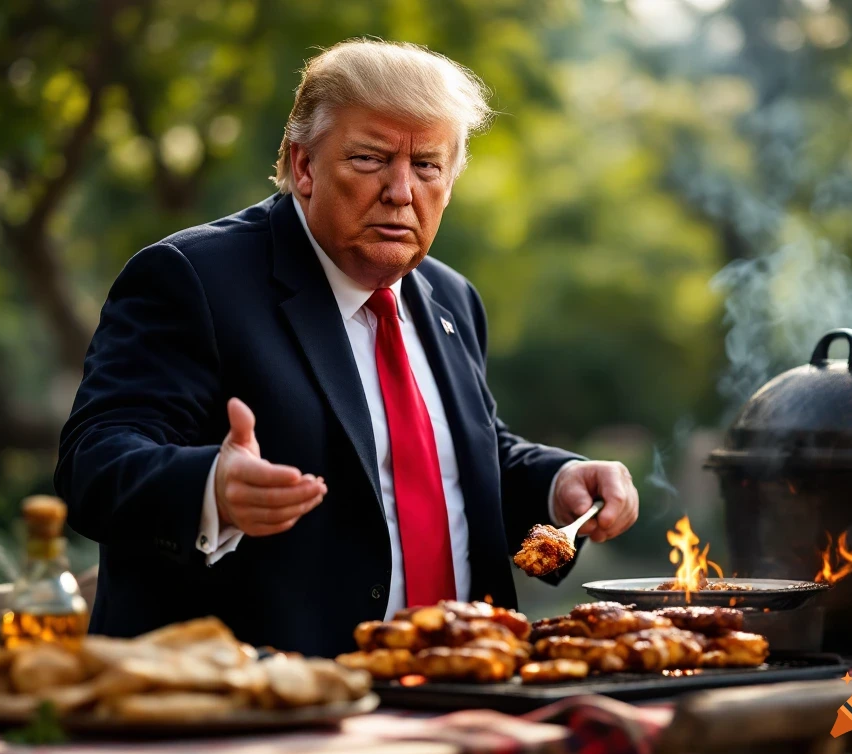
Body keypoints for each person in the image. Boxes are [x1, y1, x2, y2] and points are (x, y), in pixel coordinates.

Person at [55, 39, 640, 657]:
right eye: (370, 159)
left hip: (462, 685)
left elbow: (462, 456)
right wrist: (211, 487)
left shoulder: (451, 297)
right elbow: (93, 462)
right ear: (303, 166)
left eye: (427, 166)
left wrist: (558, 481)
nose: (400, 191)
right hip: (267, 707)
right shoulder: (190, 278)